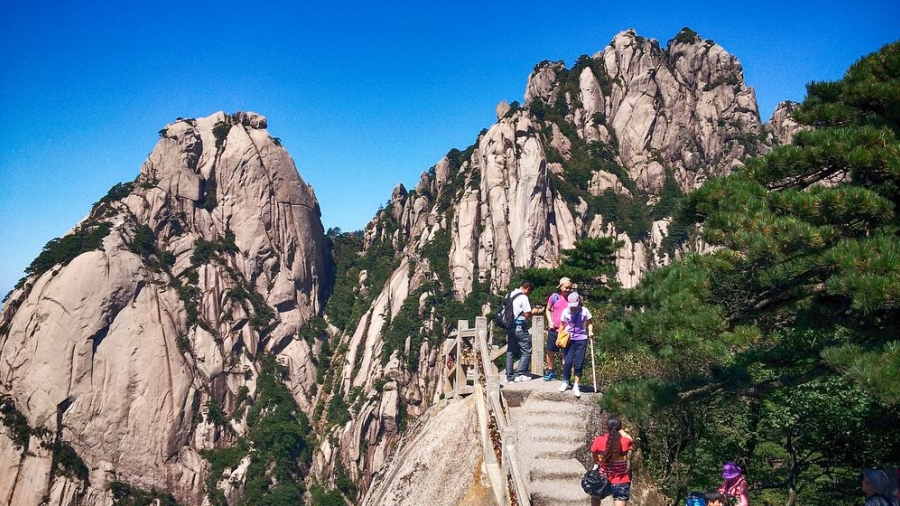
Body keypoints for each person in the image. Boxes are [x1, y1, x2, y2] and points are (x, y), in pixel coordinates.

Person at [590, 415, 633, 506]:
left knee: (595, 497)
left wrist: (600, 461)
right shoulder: (625, 442)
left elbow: (595, 457)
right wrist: (620, 430)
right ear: (620, 428)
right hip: (621, 480)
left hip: (602, 479)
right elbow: (630, 439)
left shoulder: (598, 440)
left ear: (606, 427)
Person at [557, 291, 593, 398]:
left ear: (579, 302)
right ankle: (566, 381)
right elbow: (562, 325)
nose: (573, 307)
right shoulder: (566, 311)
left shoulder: (585, 311)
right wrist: (559, 337)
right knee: (567, 361)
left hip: (581, 339)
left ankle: (576, 385)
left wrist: (590, 331)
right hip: (569, 339)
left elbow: (590, 322)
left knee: (579, 362)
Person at [543, 277, 574, 381]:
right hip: (554, 329)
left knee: (565, 353)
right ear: (560, 287)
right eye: (566, 288)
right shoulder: (554, 297)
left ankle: (565, 376)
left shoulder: (572, 299)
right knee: (550, 351)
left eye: (570, 288)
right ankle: (551, 371)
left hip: (566, 331)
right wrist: (550, 321)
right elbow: (548, 309)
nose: (568, 290)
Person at [504, 281, 534, 382]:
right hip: (519, 327)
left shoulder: (509, 294)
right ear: (527, 289)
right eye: (529, 292)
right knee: (527, 350)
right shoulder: (523, 297)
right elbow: (527, 314)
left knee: (510, 351)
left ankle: (509, 376)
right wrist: (535, 311)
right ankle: (519, 374)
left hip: (509, 326)